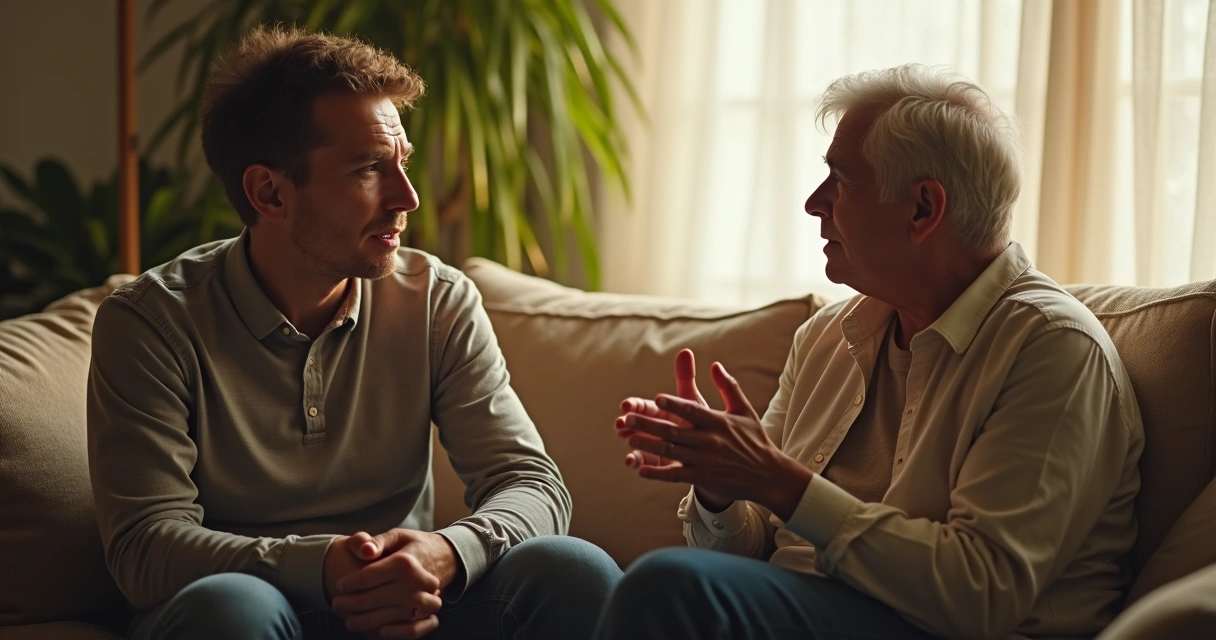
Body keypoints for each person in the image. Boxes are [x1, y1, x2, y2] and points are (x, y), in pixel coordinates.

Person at [87, 26, 620, 640]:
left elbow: (533, 484)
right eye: (369, 169)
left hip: (409, 610)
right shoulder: (151, 322)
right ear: (269, 192)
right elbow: (145, 548)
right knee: (231, 611)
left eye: (403, 163)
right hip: (250, 607)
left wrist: (445, 553)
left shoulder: (435, 301)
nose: (408, 197)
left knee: (573, 570)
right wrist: (321, 565)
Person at [597, 64, 1144, 640]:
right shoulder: (830, 335)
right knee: (593, 579)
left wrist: (779, 480)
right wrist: (722, 487)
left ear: (922, 210)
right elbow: (752, 547)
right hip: (814, 615)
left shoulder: (1052, 347)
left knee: (668, 587)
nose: (814, 203)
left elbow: (981, 594)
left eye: (840, 179)